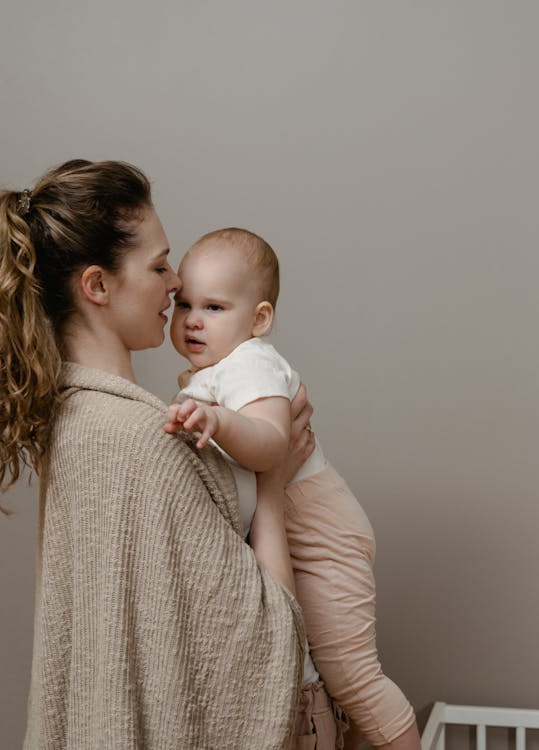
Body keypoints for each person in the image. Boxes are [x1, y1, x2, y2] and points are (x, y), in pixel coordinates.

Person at [0, 160, 340, 749]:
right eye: (159, 265)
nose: (176, 284)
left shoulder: (79, 422)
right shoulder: (140, 440)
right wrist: (272, 481)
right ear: (97, 286)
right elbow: (266, 638)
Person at [162, 228, 422, 750]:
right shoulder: (212, 372)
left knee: (352, 677)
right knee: (329, 679)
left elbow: (271, 446)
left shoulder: (250, 362)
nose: (192, 319)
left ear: (259, 319)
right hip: (297, 536)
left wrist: (215, 418)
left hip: (324, 540)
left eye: (214, 307)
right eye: (183, 303)